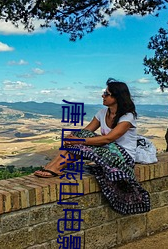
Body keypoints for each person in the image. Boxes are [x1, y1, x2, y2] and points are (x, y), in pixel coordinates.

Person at [34, 78, 150, 214]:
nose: (103, 96)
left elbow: (109, 138)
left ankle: (55, 167)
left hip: (123, 157)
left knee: (81, 140)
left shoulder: (127, 116)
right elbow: (87, 131)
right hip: (107, 150)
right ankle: (53, 166)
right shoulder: (102, 113)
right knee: (80, 136)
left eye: (107, 94)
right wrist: (73, 138)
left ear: (117, 97)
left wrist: (79, 140)